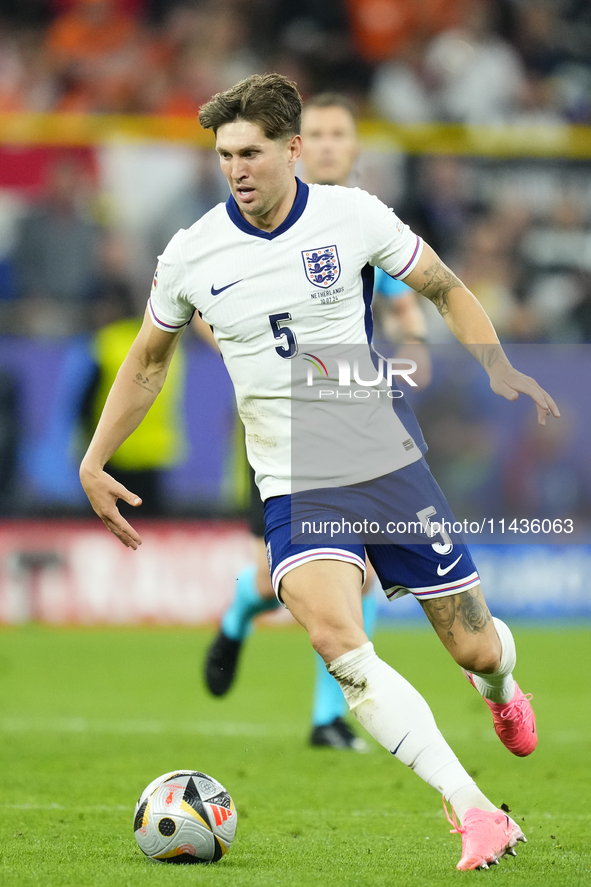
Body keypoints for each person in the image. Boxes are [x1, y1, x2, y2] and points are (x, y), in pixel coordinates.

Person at [80, 73, 560, 871]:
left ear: (292, 149)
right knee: (339, 640)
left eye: (252, 153)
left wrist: (496, 364)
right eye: (225, 155)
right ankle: (476, 813)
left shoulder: (352, 216)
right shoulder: (192, 253)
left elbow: (440, 285)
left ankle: (505, 692)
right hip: (292, 476)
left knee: (475, 650)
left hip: (381, 454)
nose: (236, 169)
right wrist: (95, 458)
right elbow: (145, 361)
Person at [203, 92, 428, 753]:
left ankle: (329, 716)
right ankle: (237, 615)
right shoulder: (254, 223)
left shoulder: (359, 221)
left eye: (339, 134)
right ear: (296, 145)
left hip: (347, 422)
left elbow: (402, 303)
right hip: (276, 423)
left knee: (351, 572)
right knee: (277, 583)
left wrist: (412, 344)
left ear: (353, 148)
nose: (328, 144)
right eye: (317, 133)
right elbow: (209, 310)